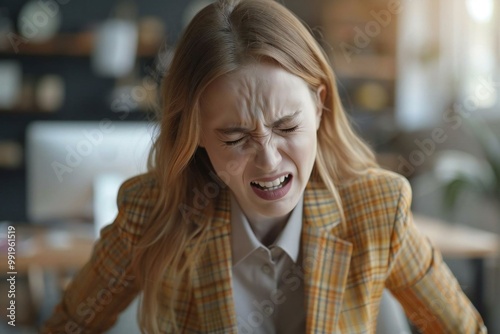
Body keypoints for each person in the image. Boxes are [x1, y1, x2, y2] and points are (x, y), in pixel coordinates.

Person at [41, 0, 487, 333]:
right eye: (235, 138)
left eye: (287, 126)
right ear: (194, 134)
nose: (269, 161)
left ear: (319, 106)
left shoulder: (378, 207)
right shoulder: (151, 212)